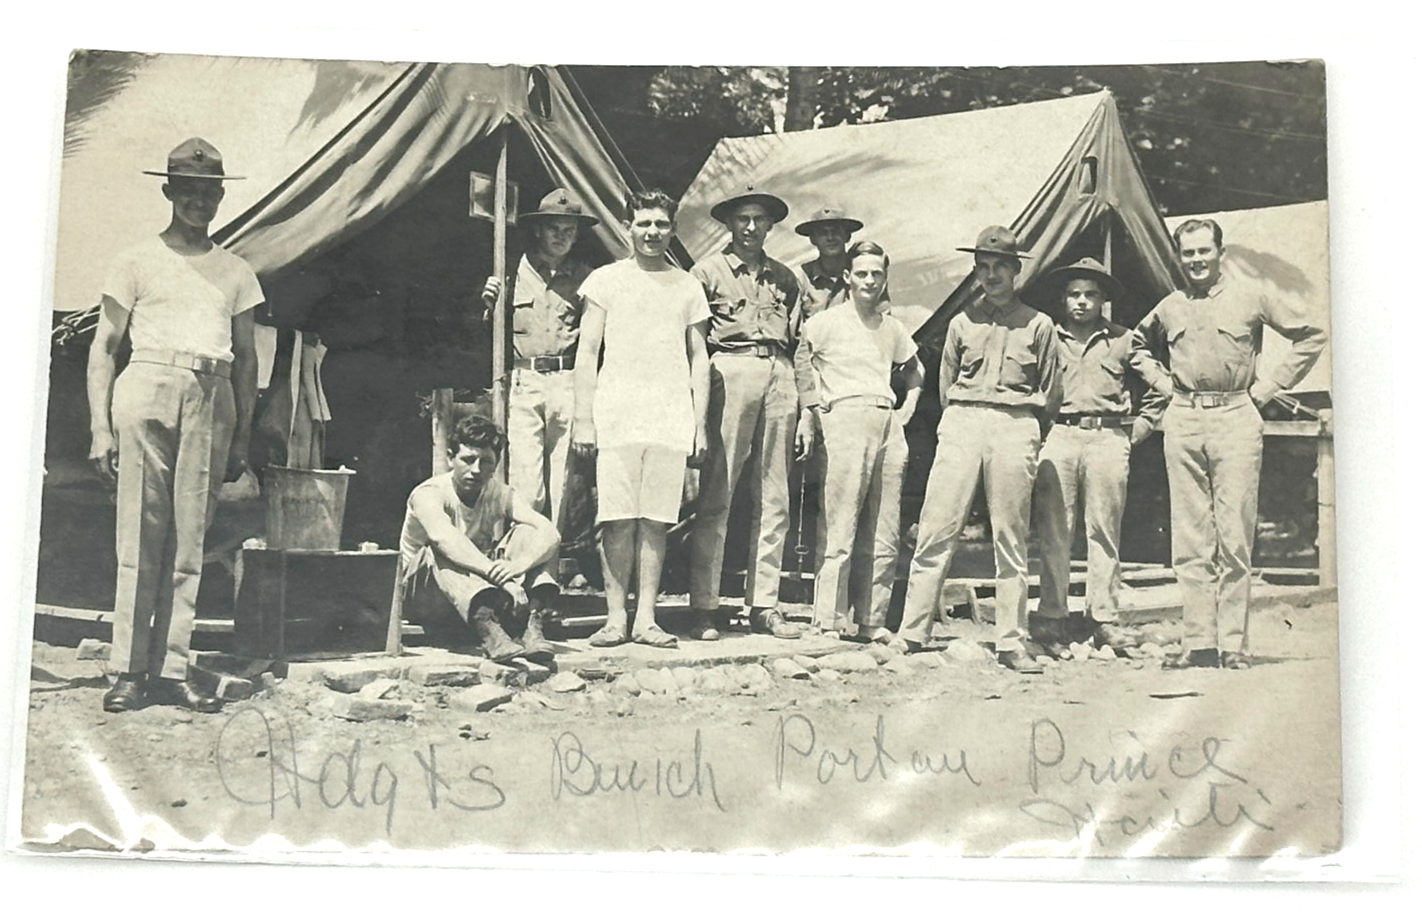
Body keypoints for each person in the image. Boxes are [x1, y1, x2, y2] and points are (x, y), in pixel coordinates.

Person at [88, 138, 261, 713]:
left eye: (210, 193)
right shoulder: (136, 259)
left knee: (190, 541)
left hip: (211, 395)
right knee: (141, 534)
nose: (200, 202)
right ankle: (129, 670)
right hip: (146, 388)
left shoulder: (235, 270)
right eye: (189, 191)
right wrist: (99, 428)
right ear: (169, 192)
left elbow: (247, 357)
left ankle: (174, 668)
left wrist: (242, 433)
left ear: (220, 197)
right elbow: (104, 346)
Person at [1133, 219, 1325, 670]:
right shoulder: (1170, 306)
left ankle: (1231, 644)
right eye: (1188, 253)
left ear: (1220, 253)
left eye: (1204, 251)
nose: (1196, 261)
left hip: (1236, 415)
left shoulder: (1251, 296)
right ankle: (1198, 641)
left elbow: (1310, 335)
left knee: (1233, 535)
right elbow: (1138, 347)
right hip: (1182, 417)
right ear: (1178, 257)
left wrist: (1267, 388)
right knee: (1189, 536)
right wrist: (1162, 383)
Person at [893, 226, 1062, 673]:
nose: (990, 276)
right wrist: (960, 419)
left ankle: (1010, 639)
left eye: (999, 267)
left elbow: (1052, 392)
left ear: (1015, 270)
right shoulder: (961, 322)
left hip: (1015, 423)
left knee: (1010, 537)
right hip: (964, 419)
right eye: (983, 267)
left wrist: (1024, 426)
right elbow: (945, 385)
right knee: (936, 527)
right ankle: (912, 631)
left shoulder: (1040, 324)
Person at [572, 190, 711, 648]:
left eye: (660, 224)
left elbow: (699, 359)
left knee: (654, 520)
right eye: (643, 224)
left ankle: (647, 619)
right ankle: (615, 619)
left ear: (672, 229)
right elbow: (587, 352)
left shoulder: (687, 286)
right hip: (616, 417)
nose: (652, 233)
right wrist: (584, 420)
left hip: (669, 418)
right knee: (617, 519)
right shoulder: (605, 280)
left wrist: (699, 424)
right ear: (628, 227)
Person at [1030, 257, 1167, 652]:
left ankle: (1102, 618)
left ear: (1104, 300)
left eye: (1091, 295)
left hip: (1108, 436)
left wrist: (1139, 429)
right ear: (1062, 299)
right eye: (1074, 294)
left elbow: (1158, 382)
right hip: (1060, 436)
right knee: (1056, 529)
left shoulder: (1124, 339)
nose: (1081, 302)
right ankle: (1052, 617)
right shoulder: (1047, 337)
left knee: (1103, 530)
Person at [687, 184, 804, 641]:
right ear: (730, 224)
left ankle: (765, 605)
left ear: (771, 225)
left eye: (759, 220)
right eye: (743, 219)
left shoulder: (785, 278)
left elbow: (801, 343)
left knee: (775, 497)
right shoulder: (707, 272)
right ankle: (704, 606)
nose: (751, 228)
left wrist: (806, 404)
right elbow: (693, 342)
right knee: (719, 492)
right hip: (730, 370)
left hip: (780, 371)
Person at [794, 241, 923, 642]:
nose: (870, 280)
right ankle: (828, 621)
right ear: (848, 277)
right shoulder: (827, 321)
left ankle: (872, 620)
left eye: (877, 274)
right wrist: (812, 411)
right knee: (840, 524)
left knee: (885, 528)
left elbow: (915, 372)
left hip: (887, 421)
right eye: (862, 273)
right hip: (844, 419)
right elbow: (802, 360)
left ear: (885, 279)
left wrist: (906, 410)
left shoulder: (892, 328)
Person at [481, 189, 597, 612]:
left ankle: (545, 574)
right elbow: (475, 328)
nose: (561, 237)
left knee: (563, 484)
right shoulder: (509, 274)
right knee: (528, 485)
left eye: (569, 230)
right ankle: (521, 573)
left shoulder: (587, 279)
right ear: (537, 229)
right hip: (526, 381)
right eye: (554, 228)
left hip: (568, 380)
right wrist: (487, 301)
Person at [400, 415, 561, 663]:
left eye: (486, 462)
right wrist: (504, 580)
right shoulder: (428, 493)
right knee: (440, 546)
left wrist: (519, 566)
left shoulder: (499, 492)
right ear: (450, 459)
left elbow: (550, 533)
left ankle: (531, 623)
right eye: (467, 459)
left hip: (475, 590)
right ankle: (488, 630)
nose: (476, 470)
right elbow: (444, 539)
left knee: (529, 530)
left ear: (495, 464)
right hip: (424, 596)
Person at [792, 205, 864, 320]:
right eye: (823, 233)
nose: (830, 237)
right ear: (813, 239)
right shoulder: (801, 278)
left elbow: (880, 319)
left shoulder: (864, 273)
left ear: (847, 236)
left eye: (836, 231)